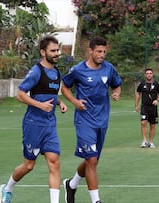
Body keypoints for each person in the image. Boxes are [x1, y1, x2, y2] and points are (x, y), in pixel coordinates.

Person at [0, 35, 68, 203]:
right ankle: (7, 189)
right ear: (43, 52)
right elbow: (20, 94)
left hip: (50, 125)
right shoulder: (36, 71)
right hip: (33, 124)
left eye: (57, 50)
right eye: (53, 51)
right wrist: (40, 105)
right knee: (29, 165)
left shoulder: (57, 72)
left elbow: (49, 94)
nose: (57, 53)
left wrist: (59, 102)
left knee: (54, 163)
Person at [61, 36, 122, 203]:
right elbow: (64, 86)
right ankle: (96, 201)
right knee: (92, 160)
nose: (102, 55)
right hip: (84, 121)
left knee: (92, 161)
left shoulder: (109, 69)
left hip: (102, 121)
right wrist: (74, 101)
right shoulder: (78, 70)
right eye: (99, 51)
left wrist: (117, 92)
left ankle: (71, 185)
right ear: (90, 51)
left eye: (104, 52)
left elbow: (117, 84)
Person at [135, 68, 159, 148]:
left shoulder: (157, 84)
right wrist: (136, 105)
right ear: (145, 75)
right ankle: (144, 141)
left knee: (152, 125)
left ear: (152, 74)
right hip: (144, 107)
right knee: (143, 122)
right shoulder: (141, 84)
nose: (149, 75)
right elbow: (138, 93)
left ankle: (151, 142)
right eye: (147, 73)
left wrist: (157, 100)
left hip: (153, 108)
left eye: (150, 73)